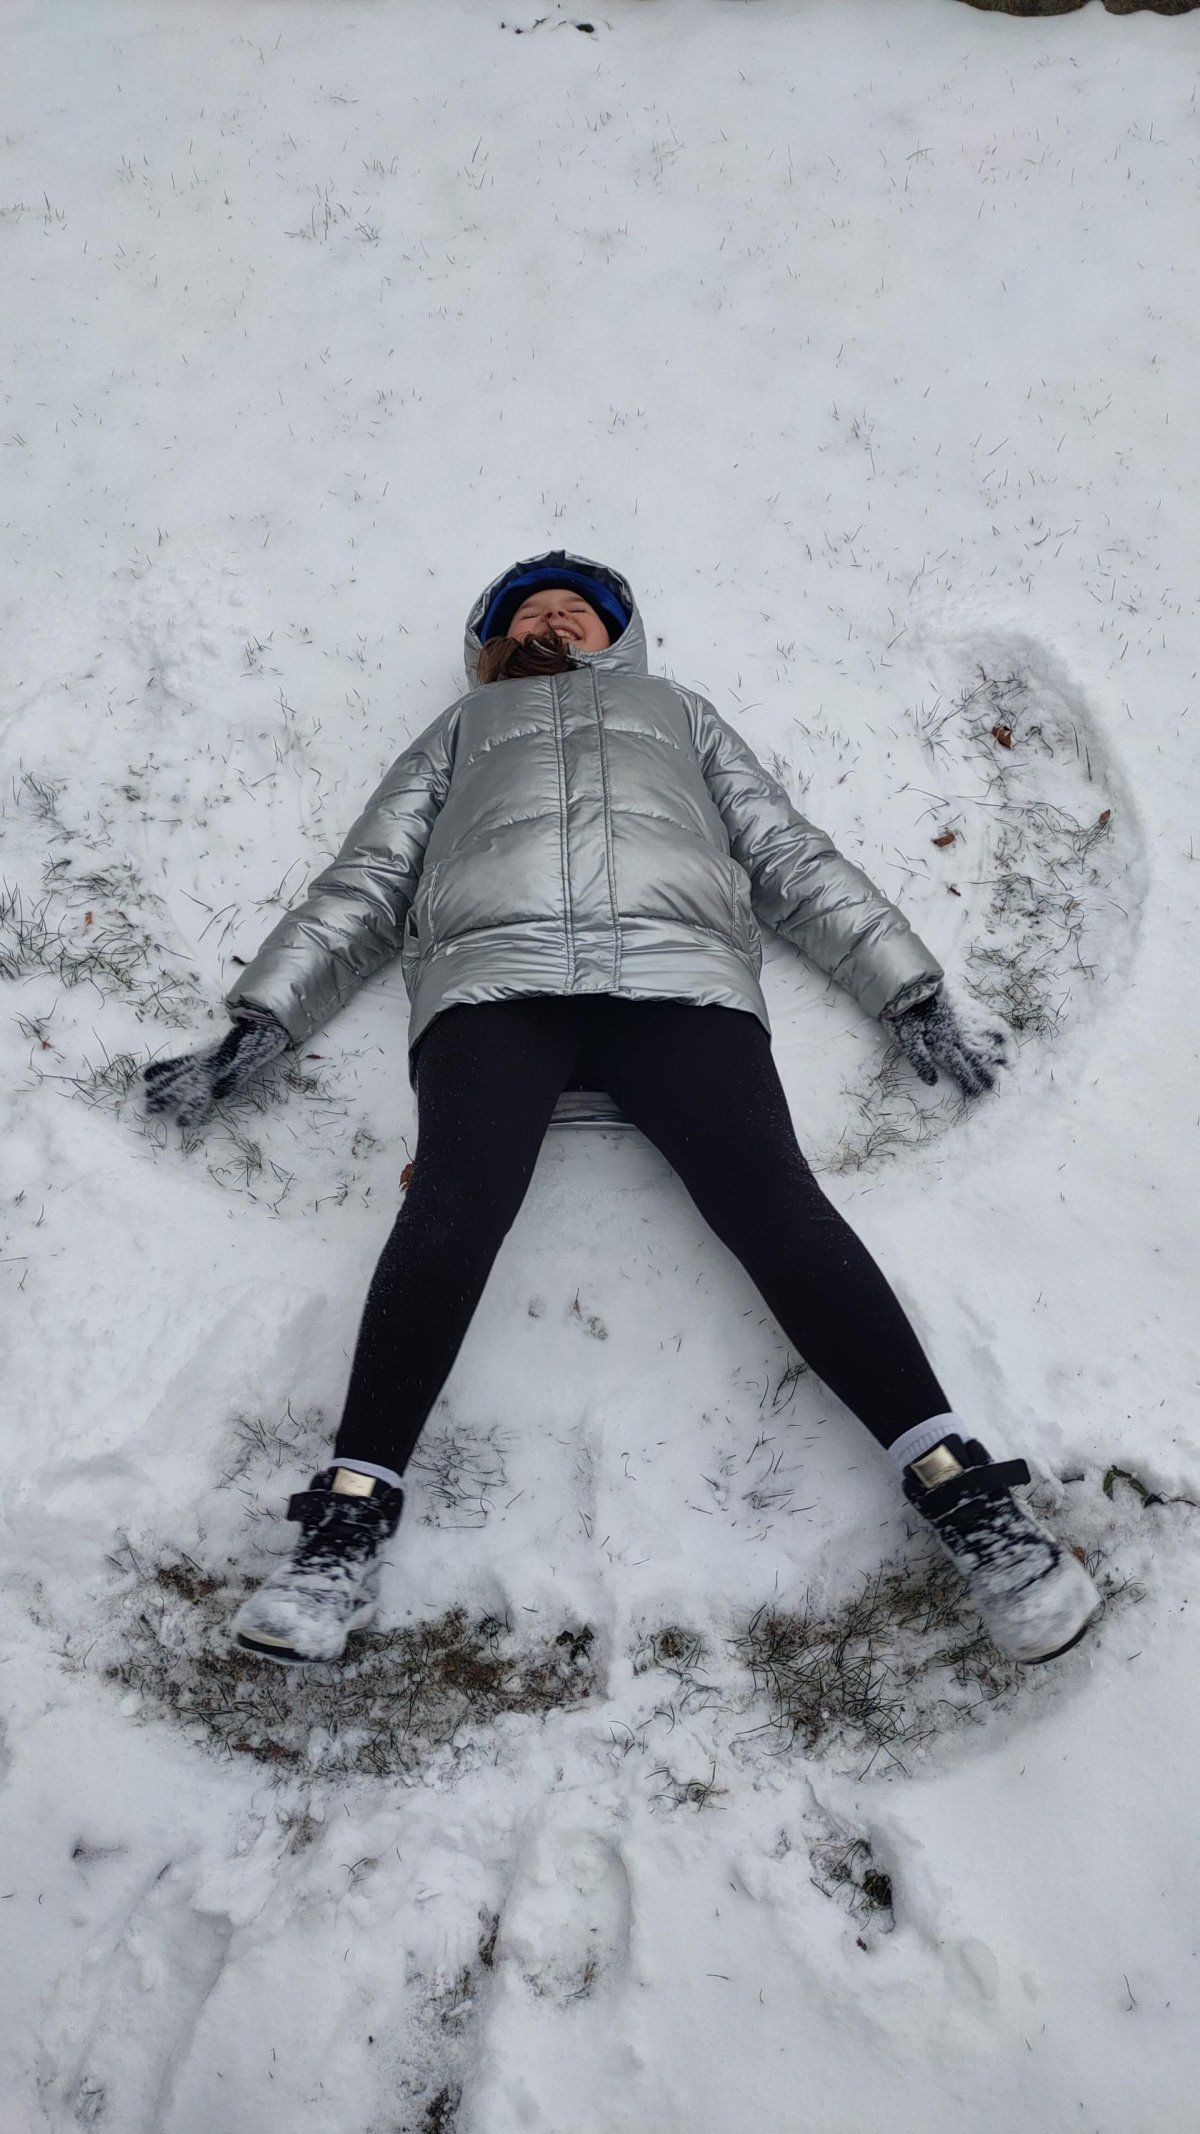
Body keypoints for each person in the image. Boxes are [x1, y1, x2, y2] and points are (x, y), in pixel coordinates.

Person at [142, 551, 1101, 1669]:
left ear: (619, 638)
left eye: (577, 611)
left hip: (677, 983)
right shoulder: (463, 730)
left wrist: (909, 986)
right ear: (492, 646)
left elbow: (788, 854)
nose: (554, 619)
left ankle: (971, 1503)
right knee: (450, 1208)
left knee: (777, 1207)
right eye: (531, 613)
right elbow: (367, 881)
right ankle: (342, 1532)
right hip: (495, 989)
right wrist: (265, 1015)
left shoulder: (677, 714)